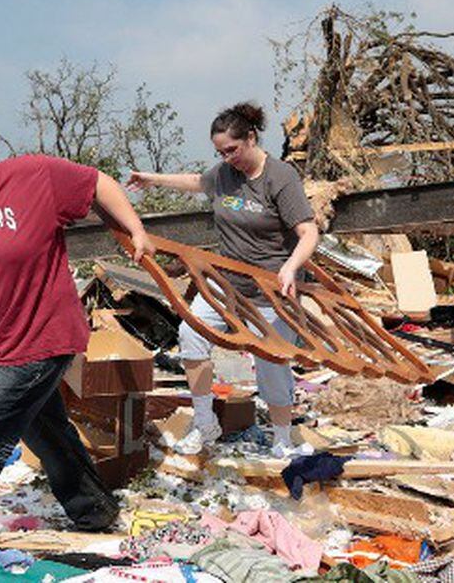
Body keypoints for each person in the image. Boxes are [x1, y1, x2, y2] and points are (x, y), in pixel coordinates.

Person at [0, 108, 153, 567]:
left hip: (41, 335)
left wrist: (136, 229)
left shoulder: (34, 175)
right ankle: (93, 509)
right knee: (45, 430)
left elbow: (98, 182)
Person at [127, 102, 318, 458]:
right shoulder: (224, 174)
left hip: (270, 289)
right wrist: (152, 179)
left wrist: (291, 267)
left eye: (232, 150)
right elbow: (198, 182)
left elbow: (309, 232)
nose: (228, 158)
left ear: (251, 137)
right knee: (190, 335)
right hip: (226, 282)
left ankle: (281, 437)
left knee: (271, 361)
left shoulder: (280, 177)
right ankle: (205, 423)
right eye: (220, 153)